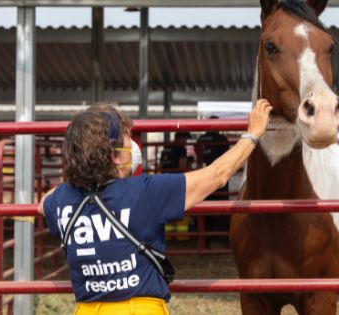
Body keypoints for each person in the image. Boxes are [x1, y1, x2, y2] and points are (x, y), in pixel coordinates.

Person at [37, 100, 271, 315]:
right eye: (129, 138)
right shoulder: (145, 192)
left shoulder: (61, 201)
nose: (134, 144)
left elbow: (43, 204)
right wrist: (252, 134)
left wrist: (79, 174)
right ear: (115, 155)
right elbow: (217, 176)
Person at [195, 117, 231, 247]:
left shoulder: (200, 140)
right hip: (221, 175)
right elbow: (228, 157)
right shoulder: (222, 140)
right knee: (222, 208)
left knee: (206, 208)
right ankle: (223, 238)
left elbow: (198, 159)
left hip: (204, 176)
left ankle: (205, 241)